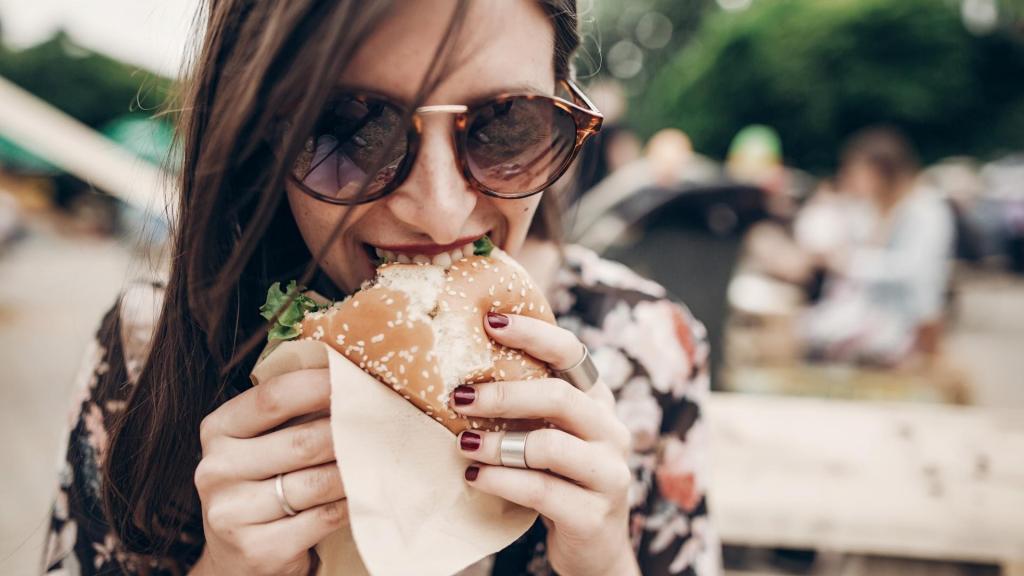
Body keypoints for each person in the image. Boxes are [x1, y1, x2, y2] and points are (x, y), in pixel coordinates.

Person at [43, 1, 719, 574]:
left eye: (506, 123)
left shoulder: (650, 350)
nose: (439, 211)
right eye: (350, 131)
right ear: (257, 138)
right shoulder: (145, 348)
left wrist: (605, 562)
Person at [803, 127, 955, 365]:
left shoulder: (925, 209)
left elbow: (914, 270)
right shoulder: (875, 208)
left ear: (882, 172)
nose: (850, 178)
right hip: (874, 314)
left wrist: (849, 262)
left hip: (908, 322)